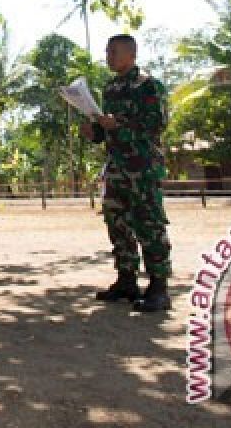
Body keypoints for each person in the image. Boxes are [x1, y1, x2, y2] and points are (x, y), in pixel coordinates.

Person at [81, 34, 173, 312]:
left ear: (131, 54)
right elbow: (106, 131)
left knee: (149, 224)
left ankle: (159, 288)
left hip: (143, 167)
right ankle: (126, 280)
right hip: (117, 167)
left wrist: (116, 124)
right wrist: (94, 131)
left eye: (114, 52)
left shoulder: (148, 86)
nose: (108, 56)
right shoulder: (110, 89)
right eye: (107, 51)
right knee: (117, 223)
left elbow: (156, 124)